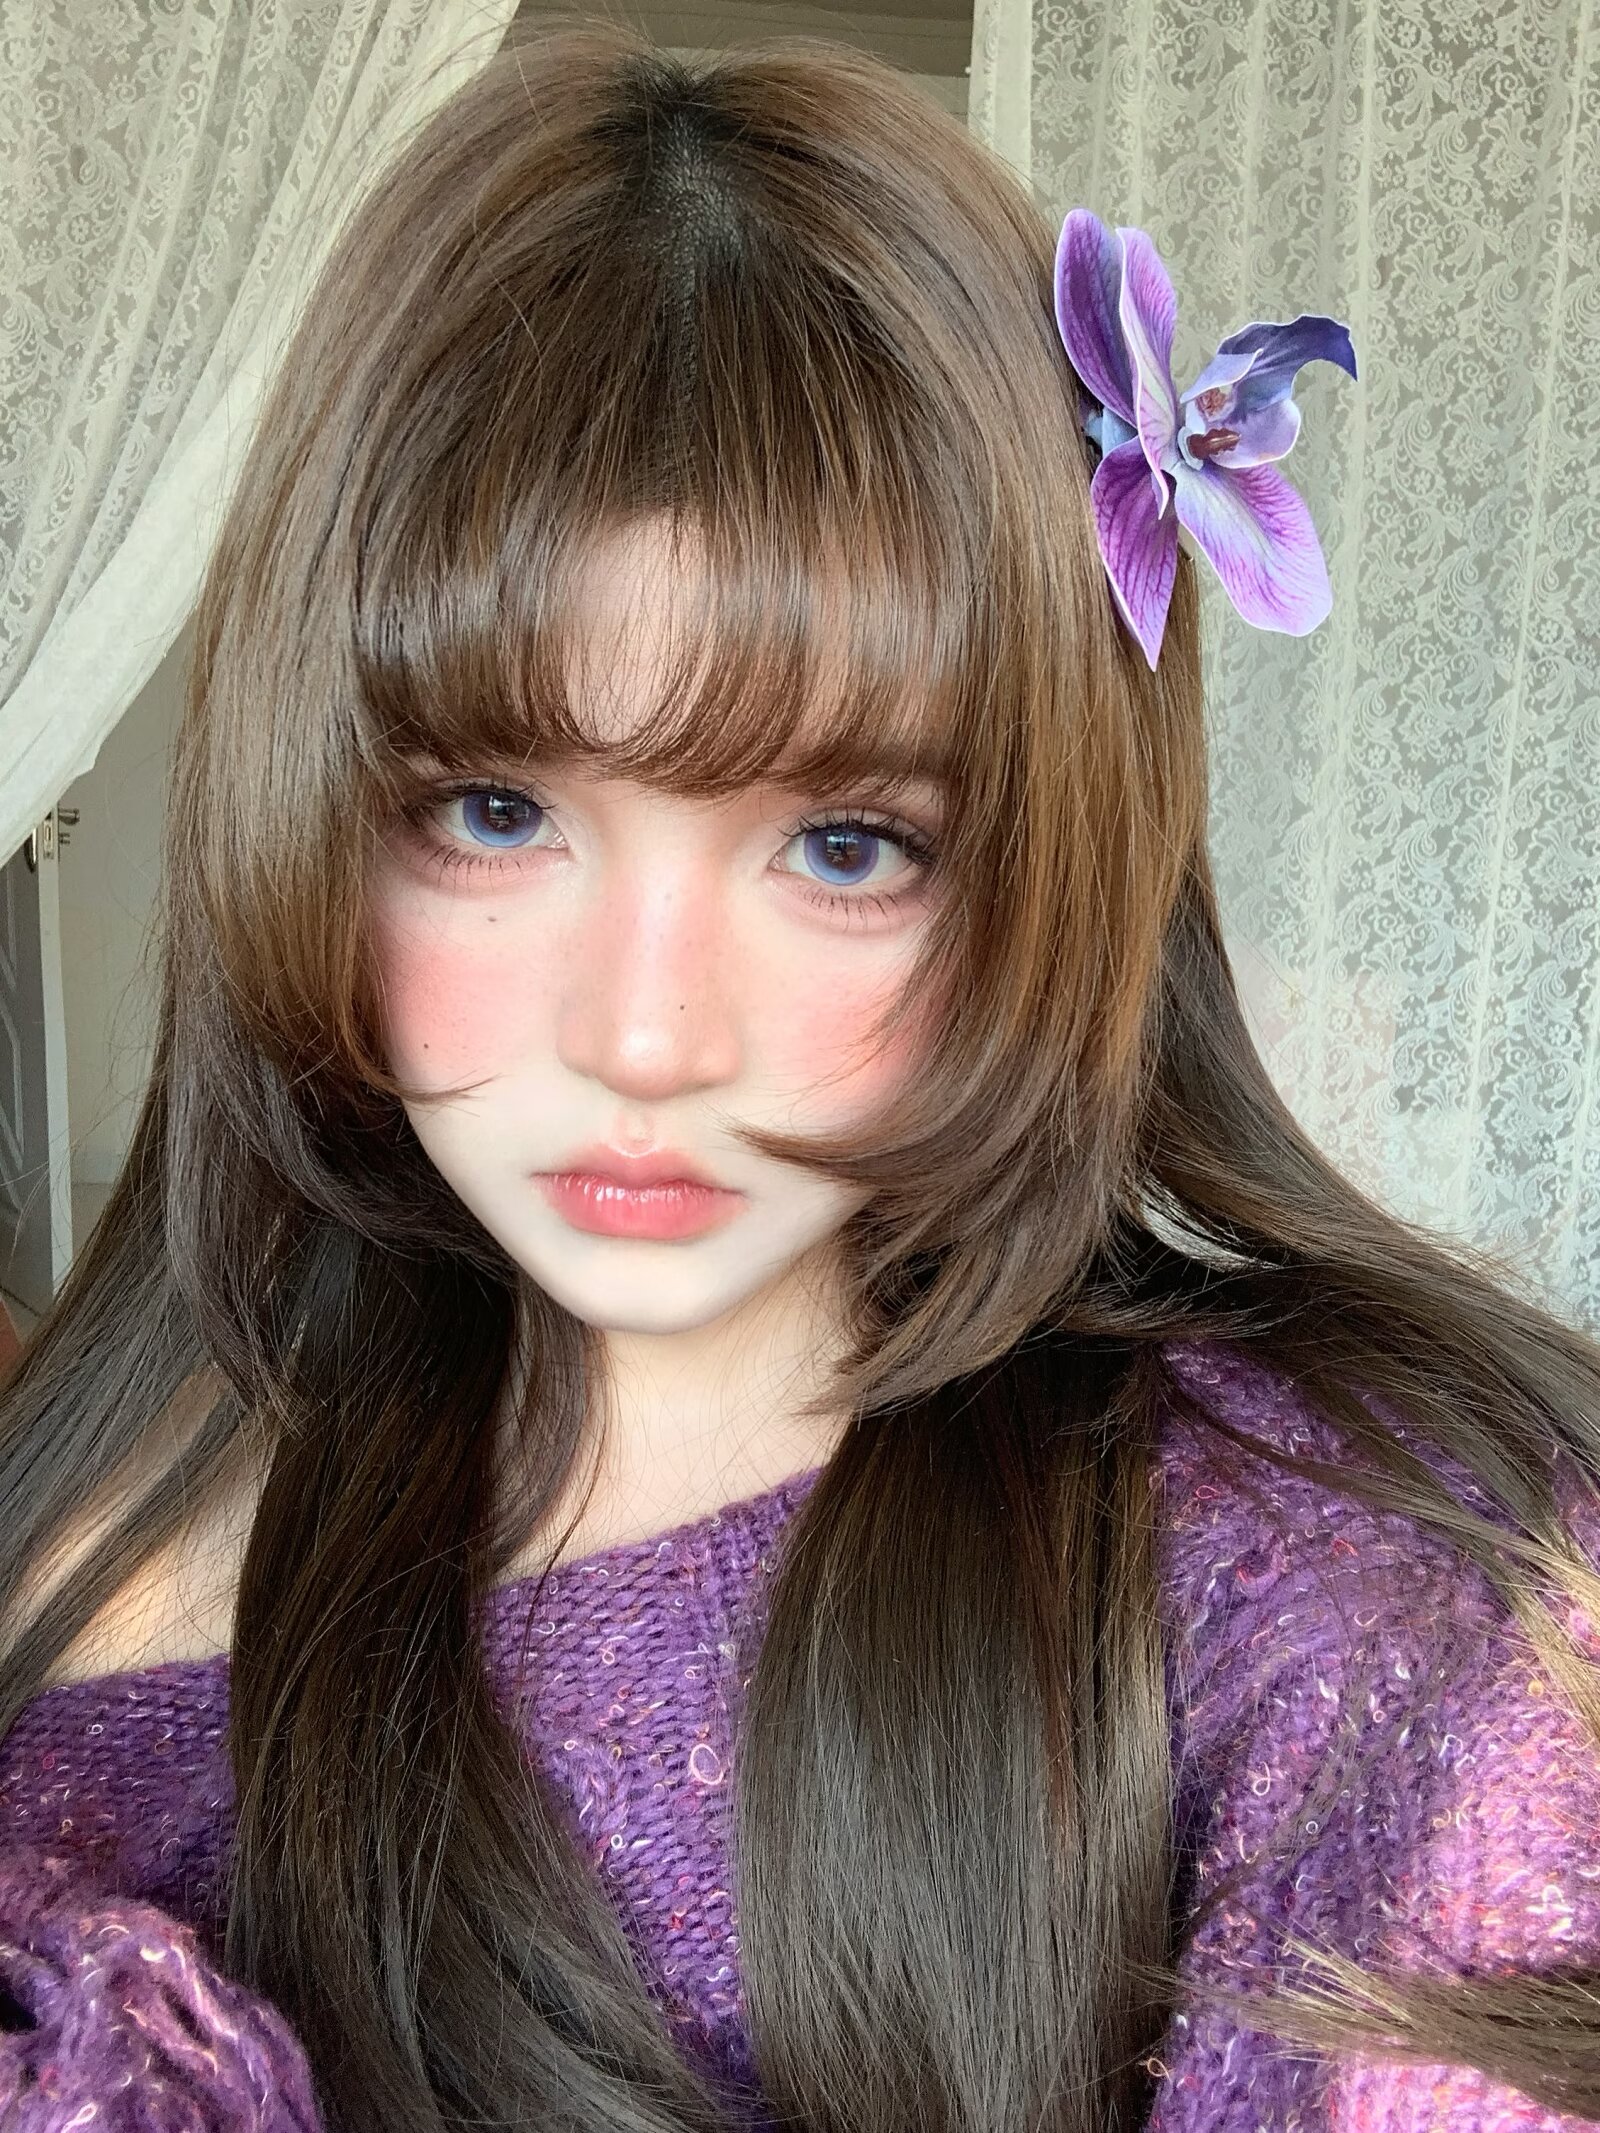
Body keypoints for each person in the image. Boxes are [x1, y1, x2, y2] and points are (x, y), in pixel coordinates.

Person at [2, 18, 1600, 2132]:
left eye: (847, 846)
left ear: (1051, 860)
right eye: (494, 812)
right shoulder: (89, 1523)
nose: (644, 1035)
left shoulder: (1343, 1576)